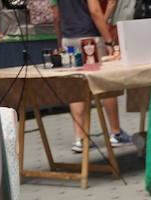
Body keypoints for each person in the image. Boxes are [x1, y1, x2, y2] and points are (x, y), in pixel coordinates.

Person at [52, 0, 131, 153]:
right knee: (106, 83)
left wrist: (60, 41)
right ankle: (116, 133)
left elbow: (56, 16)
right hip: (90, 39)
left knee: (75, 87)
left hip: (68, 39)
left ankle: (80, 138)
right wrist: (108, 40)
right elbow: (95, 11)